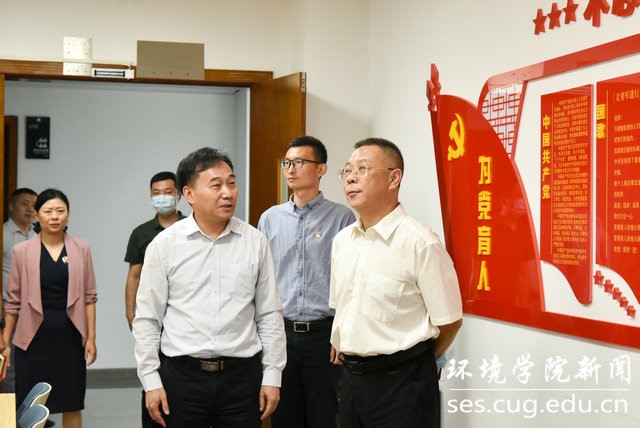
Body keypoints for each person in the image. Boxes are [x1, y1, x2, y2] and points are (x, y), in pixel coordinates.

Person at [132, 147, 286, 428]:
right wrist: (151, 380)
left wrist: (273, 375)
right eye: (216, 185)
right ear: (189, 194)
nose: (228, 193)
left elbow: (269, 313)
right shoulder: (164, 245)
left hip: (242, 378)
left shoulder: (255, 241)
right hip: (182, 377)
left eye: (231, 183)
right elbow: (148, 319)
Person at [329, 138, 463, 427]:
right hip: (350, 382)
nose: (350, 178)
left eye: (362, 169)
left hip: (403, 387)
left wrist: (411, 363)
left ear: (394, 178)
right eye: (347, 170)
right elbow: (342, 307)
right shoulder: (343, 241)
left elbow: (450, 322)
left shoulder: (420, 243)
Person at [258, 135, 354, 428]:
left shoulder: (342, 218)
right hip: (282, 333)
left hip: (324, 335)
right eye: (287, 163)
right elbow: (262, 280)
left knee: (325, 417)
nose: (290, 169)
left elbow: (350, 281)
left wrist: (342, 333)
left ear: (321, 169)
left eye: (299, 162)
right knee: (284, 416)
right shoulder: (270, 219)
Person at [2, 188, 97, 428]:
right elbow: (13, 301)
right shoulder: (22, 251)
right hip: (32, 340)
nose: (54, 216)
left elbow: (89, 296)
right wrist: (5, 341)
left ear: (68, 214)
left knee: (72, 402)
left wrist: (91, 338)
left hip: (70, 337)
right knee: (30, 404)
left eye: (60, 211)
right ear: (37, 215)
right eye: (48, 211)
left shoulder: (81, 248)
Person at [124, 171, 185, 428]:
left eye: (167, 192)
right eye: (156, 193)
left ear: (179, 195)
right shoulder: (141, 233)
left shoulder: (190, 228)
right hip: (152, 314)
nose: (162, 198)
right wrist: (131, 313)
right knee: (152, 370)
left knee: (180, 373)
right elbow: (134, 275)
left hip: (183, 316)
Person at [1, 187, 38, 393]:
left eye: (34, 205)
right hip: (9, 307)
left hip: (33, 308)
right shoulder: (4, 235)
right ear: (11, 207)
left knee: (32, 361)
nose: (30, 209)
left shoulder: (37, 236)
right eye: (24, 204)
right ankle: (9, 410)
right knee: (10, 362)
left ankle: (29, 407)